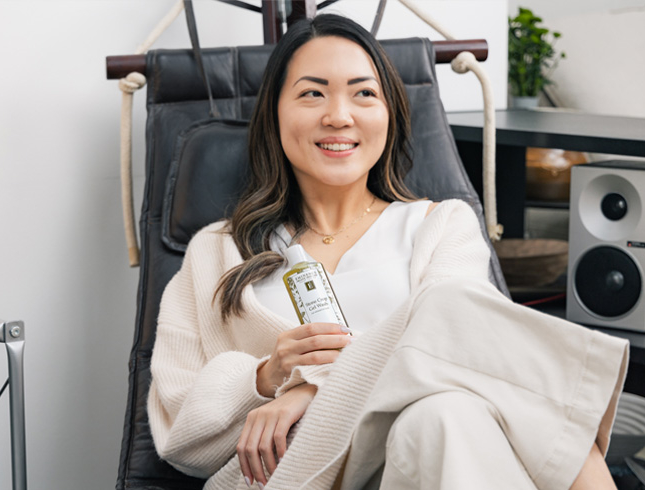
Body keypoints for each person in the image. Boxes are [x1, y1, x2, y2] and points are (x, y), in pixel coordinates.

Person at [147, 13, 628, 490]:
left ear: (390, 115)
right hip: (295, 471)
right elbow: (178, 434)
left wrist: (317, 384)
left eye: (364, 94)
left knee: (444, 411)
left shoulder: (441, 226)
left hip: (424, 464)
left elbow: (461, 346)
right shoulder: (217, 250)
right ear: (274, 113)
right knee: (448, 314)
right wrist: (267, 376)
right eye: (312, 93)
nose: (339, 115)